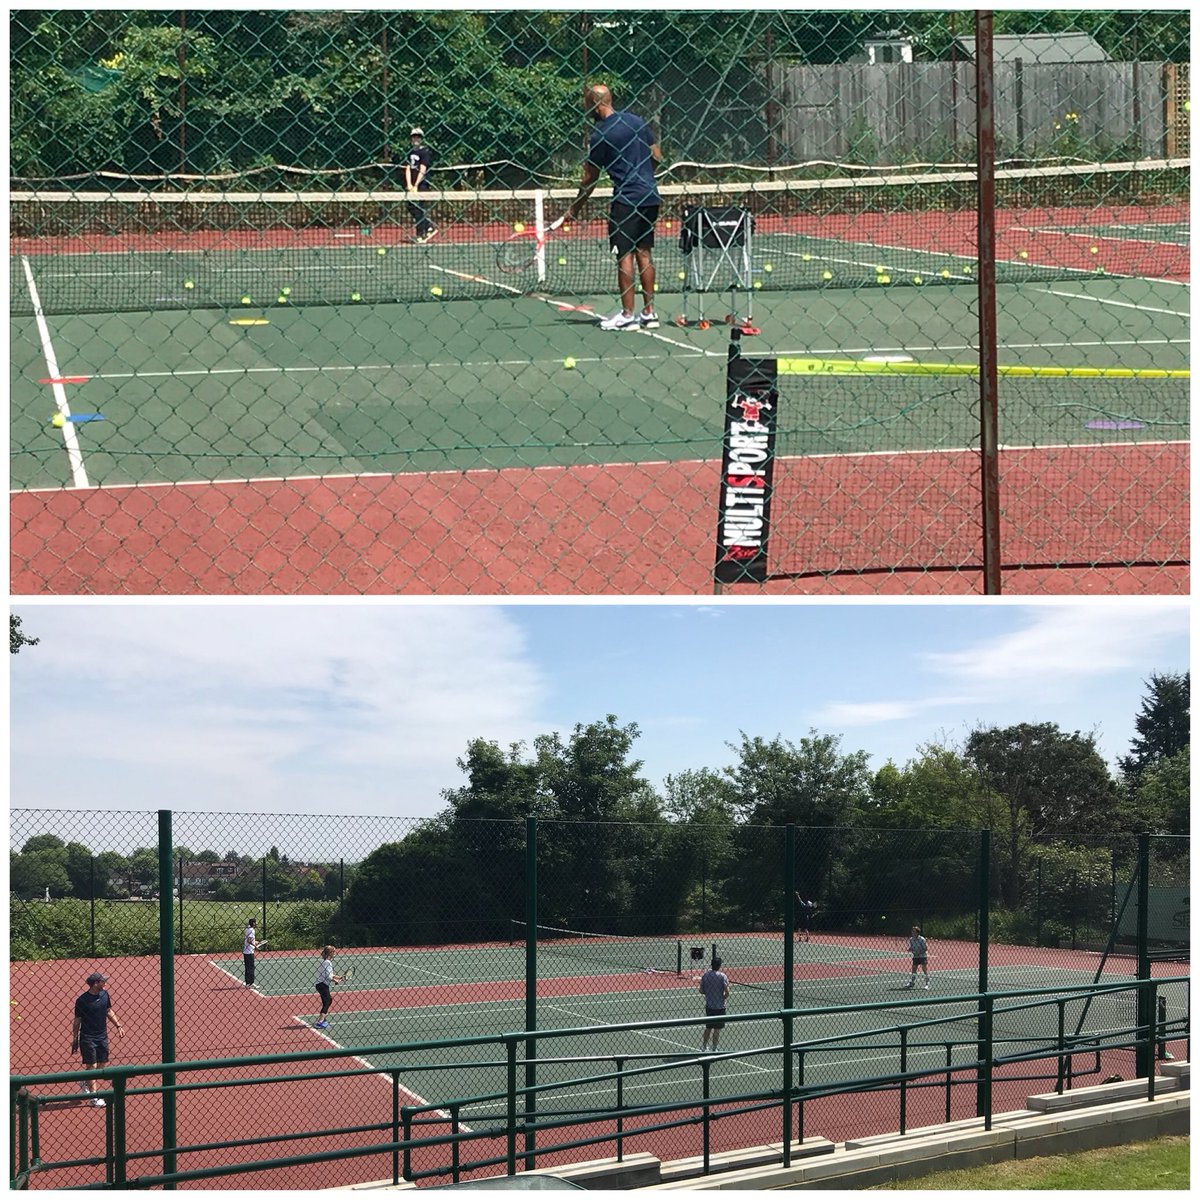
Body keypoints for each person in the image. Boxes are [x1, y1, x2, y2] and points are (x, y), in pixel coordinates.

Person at [558, 82, 663, 331]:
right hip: (650, 196)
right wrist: (644, 175)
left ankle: (628, 315)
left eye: (587, 104)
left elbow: (589, 178)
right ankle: (649, 313)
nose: (586, 109)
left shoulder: (600, 135)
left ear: (595, 104)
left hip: (626, 201)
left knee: (624, 255)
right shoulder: (637, 122)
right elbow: (657, 156)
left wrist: (573, 209)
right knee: (644, 253)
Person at [71, 972, 125, 1107]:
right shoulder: (82, 1000)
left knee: (101, 1065)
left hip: (102, 1036)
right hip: (87, 1037)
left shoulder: (105, 995)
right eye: (103, 981)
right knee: (92, 1066)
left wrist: (118, 1025)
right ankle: (94, 1097)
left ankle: (85, 1080)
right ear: (95, 984)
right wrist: (75, 1037)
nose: (105, 983)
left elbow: (108, 1011)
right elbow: (77, 1020)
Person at [404, 126, 437, 243]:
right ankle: (428, 226)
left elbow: (422, 170)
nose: (415, 139)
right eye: (413, 137)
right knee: (410, 206)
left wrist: (416, 185)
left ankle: (420, 235)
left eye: (418, 137)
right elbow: (407, 168)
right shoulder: (410, 152)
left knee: (419, 208)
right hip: (412, 185)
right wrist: (409, 184)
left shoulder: (425, 152)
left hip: (422, 184)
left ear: (421, 139)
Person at [698, 955, 730, 1052]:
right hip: (720, 1006)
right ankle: (714, 1048)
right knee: (717, 1029)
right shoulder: (722, 976)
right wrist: (723, 997)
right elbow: (727, 992)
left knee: (708, 1027)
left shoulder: (705, 975)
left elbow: (701, 991)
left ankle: (704, 1046)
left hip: (709, 1006)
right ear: (719, 965)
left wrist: (709, 993)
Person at [313, 945, 346, 1031]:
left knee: (327, 1001)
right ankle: (319, 1022)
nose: (335, 953)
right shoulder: (327, 962)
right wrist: (335, 981)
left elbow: (331, 975)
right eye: (334, 951)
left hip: (321, 984)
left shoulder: (326, 961)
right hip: (322, 984)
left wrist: (340, 977)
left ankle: (322, 1019)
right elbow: (328, 976)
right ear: (330, 953)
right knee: (328, 1000)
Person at [903, 925, 930, 990]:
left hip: (922, 956)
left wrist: (919, 951)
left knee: (924, 969)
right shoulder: (911, 939)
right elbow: (912, 947)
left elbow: (925, 948)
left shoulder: (922, 939)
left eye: (914, 932)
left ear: (918, 933)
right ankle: (912, 982)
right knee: (914, 969)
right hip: (915, 956)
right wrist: (910, 949)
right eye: (912, 931)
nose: (913, 933)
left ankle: (927, 984)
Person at [243, 918, 261, 989]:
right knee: (251, 967)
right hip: (249, 952)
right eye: (255, 922)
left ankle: (248, 983)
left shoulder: (247, 929)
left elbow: (250, 940)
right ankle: (251, 983)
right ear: (253, 923)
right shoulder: (252, 930)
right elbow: (249, 941)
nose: (256, 924)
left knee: (247, 968)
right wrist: (255, 946)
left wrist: (255, 942)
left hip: (246, 951)